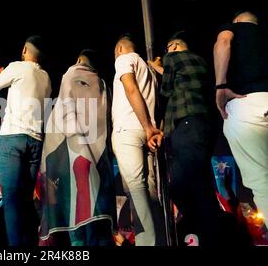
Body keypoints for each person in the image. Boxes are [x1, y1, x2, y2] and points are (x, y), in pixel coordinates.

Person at [148, 32, 226, 245]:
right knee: (201, 184)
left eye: (167, 49)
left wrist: (156, 65)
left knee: (181, 185)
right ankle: (207, 233)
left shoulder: (175, 58)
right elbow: (174, 89)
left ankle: (202, 231)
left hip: (188, 126)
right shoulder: (196, 64)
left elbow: (165, 90)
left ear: (173, 47)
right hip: (199, 126)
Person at [39, 49, 116, 246]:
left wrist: (72, 136)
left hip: (73, 151)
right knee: (98, 212)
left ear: (80, 59)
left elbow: (64, 108)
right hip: (99, 155)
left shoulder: (72, 73)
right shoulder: (104, 85)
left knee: (76, 213)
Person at [0, 35, 52, 246]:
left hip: (12, 138)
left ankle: (15, 248)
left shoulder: (17, 67)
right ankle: (29, 243)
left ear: (24, 50)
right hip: (35, 140)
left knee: (11, 199)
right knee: (25, 199)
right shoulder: (47, 77)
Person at [213, 11, 268, 227]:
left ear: (236, 20)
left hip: (247, 105)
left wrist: (220, 86)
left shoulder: (232, 29)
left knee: (261, 182)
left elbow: (224, 42)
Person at [111, 34, 165, 246]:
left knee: (136, 188)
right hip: (146, 134)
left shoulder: (124, 59)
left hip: (130, 128)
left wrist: (147, 127)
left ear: (120, 49)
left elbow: (130, 87)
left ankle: (147, 242)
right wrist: (153, 129)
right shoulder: (150, 70)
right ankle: (158, 238)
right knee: (149, 191)